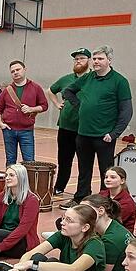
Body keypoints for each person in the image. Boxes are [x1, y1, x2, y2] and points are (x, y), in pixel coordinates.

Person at [61, 45, 133, 209]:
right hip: (83, 133)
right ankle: (81, 198)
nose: (96, 62)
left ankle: (104, 201)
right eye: (94, 59)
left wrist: (115, 133)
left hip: (104, 136)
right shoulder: (88, 78)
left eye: (100, 58)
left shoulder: (119, 81)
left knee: (105, 172)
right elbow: (68, 91)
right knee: (83, 169)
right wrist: (80, 105)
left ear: (109, 60)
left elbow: (126, 111)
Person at [47, 48, 91, 195]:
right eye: (76, 59)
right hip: (66, 126)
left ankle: (82, 191)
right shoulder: (66, 79)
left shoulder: (93, 79)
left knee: (84, 162)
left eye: (82, 58)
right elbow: (51, 90)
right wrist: (56, 103)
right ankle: (60, 186)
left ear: (89, 61)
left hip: (85, 128)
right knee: (64, 159)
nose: (78, 61)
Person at [80, 194, 133, 271]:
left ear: (101, 211)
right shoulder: (113, 226)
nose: (81, 214)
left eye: (85, 210)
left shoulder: (111, 240)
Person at [0, 60, 48, 166]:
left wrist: (31, 109)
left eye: (18, 69)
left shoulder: (36, 88)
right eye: (12, 71)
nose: (15, 72)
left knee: (29, 161)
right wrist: (0, 123)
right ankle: (10, 181)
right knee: (10, 160)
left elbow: (44, 106)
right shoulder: (6, 91)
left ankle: (28, 183)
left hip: (26, 131)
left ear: (25, 70)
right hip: (9, 130)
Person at [99, 166, 136, 232]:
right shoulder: (102, 194)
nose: (108, 179)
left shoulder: (127, 202)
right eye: (106, 177)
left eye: (112, 177)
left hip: (118, 234)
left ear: (122, 181)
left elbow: (110, 222)